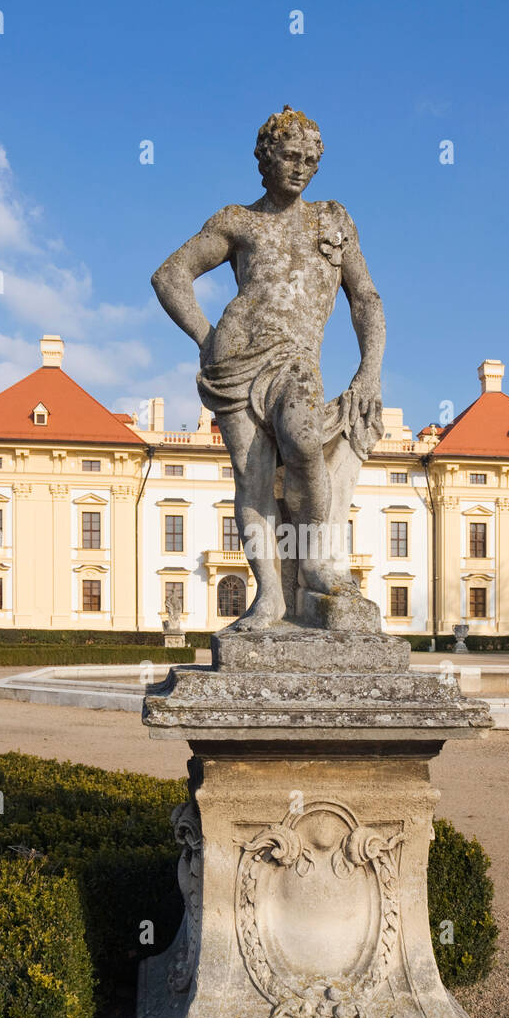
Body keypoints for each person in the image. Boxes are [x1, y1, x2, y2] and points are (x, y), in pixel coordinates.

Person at [151, 106, 385, 631]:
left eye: (309, 159)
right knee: (251, 476)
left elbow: (365, 298)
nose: (300, 168)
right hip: (235, 361)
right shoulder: (239, 220)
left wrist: (369, 371)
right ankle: (270, 596)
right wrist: (208, 339)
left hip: (298, 361)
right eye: (288, 157)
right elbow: (170, 276)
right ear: (266, 160)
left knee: (303, 441)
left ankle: (318, 562)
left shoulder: (334, 218)